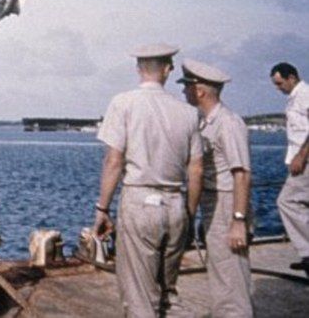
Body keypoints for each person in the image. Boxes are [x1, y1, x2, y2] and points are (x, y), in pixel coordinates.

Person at [93, 44, 203, 317]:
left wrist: (102, 209)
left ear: (138, 69)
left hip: (140, 203)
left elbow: (114, 161)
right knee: (168, 294)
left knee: (140, 298)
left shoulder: (123, 103)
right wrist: (188, 215)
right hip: (176, 204)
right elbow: (196, 170)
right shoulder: (189, 113)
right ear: (168, 70)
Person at [178, 59, 252, 317]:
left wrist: (238, 220)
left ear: (200, 91)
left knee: (232, 281)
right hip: (214, 204)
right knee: (221, 276)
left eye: (187, 86)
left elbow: (241, 174)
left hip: (227, 203)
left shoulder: (229, 123)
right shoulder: (206, 122)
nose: (184, 91)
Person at [269, 62, 309, 276]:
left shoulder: (304, 94)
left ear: (291, 77)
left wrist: (302, 156)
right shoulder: (294, 98)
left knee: (287, 201)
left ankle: (308, 253)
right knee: (302, 204)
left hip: (306, 161)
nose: (279, 88)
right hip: (299, 159)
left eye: (280, 83)